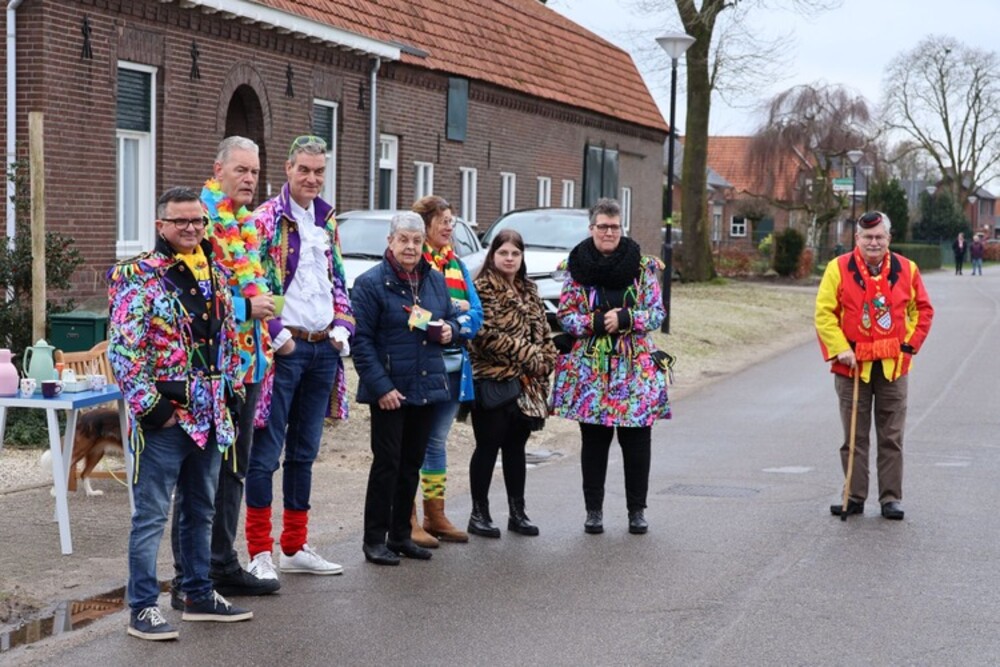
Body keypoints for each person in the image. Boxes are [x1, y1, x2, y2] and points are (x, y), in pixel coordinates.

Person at [108, 187, 251, 641]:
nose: (191, 228)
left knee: (200, 510)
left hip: (210, 418)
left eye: (197, 221)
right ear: (161, 226)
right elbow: (124, 350)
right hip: (166, 420)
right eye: (180, 221)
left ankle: (197, 594)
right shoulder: (137, 276)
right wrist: (153, 408)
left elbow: (228, 339)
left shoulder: (217, 272)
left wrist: (231, 393)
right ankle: (142, 608)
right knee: (150, 516)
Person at [168, 136, 278, 610]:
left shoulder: (244, 223)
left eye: (254, 171)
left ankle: (222, 564)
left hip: (247, 365)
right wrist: (246, 306)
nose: (249, 179)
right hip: (211, 371)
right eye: (241, 170)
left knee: (235, 468)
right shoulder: (201, 224)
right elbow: (186, 295)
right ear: (218, 171)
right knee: (200, 474)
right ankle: (188, 578)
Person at [242, 135, 354, 579]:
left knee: (305, 452)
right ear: (288, 169)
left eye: (319, 171)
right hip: (284, 351)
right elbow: (251, 282)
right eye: (304, 169)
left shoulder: (327, 220)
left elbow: (337, 278)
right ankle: (259, 551)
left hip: (324, 347)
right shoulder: (265, 218)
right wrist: (278, 335)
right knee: (265, 453)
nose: (311, 178)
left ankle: (294, 545)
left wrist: (343, 326)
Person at [550, 197, 670, 536]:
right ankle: (594, 511)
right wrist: (596, 322)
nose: (609, 232)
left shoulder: (642, 267)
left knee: (637, 442)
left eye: (615, 227)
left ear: (622, 228)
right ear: (592, 228)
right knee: (594, 442)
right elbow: (565, 315)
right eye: (603, 226)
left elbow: (657, 313)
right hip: (592, 371)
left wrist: (627, 318)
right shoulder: (576, 266)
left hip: (634, 370)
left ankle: (637, 511)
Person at [352, 212, 460, 565]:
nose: (410, 247)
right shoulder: (370, 283)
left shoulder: (434, 280)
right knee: (387, 465)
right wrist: (381, 387)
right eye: (403, 239)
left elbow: (451, 319)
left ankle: (400, 535)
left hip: (425, 385)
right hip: (390, 391)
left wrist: (452, 331)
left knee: (412, 463)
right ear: (390, 242)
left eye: (416, 240)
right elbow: (360, 341)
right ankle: (374, 540)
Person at [816, 211, 934, 521]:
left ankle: (891, 498)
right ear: (857, 238)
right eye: (867, 237)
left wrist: (907, 347)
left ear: (888, 239)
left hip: (893, 368)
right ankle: (853, 496)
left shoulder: (907, 269)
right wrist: (841, 349)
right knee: (854, 436)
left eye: (879, 237)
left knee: (891, 437)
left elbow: (922, 311)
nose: (873, 242)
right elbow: (825, 314)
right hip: (852, 367)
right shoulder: (838, 268)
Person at [467, 230, 557, 538]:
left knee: (516, 448)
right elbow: (484, 336)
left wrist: (547, 359)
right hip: (492, 379)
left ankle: (518, 513)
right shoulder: (481, 288)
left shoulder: (529, 289)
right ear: (492, 255)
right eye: (503, 252)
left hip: (527, 384)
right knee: (488, 446)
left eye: (515, 253)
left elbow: (544, 332)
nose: (509, 258)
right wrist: (531, 355)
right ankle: (479, 513)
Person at [409, 195, 483, 547]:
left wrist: (454, 326)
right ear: (425, 225)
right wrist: (454, 308)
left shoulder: (458, 265)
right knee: (413, 442)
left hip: (454, 366)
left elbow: (477, 315)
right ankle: (407, 517)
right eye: (443, 221)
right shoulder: (414, 261)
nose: (450, 227)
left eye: (452, 221)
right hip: (423, 366)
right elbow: (412, 313)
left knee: (437, 442)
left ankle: (434, 515)